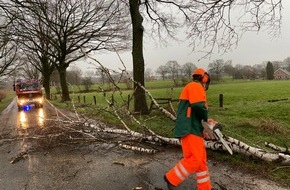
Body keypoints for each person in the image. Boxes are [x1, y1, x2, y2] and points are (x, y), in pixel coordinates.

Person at [164, 68, 217, 190]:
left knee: (201, 160)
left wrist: (206, 122)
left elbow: (195, 110)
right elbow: (199, 106)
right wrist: (207, 119)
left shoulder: (193, 87)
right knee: (195, 158)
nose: (206, 82)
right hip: (190, 128)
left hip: (193, 128)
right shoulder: (195, 86)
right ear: (203, 78)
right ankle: (171, 178)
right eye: (206, 79)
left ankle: (205, 187)